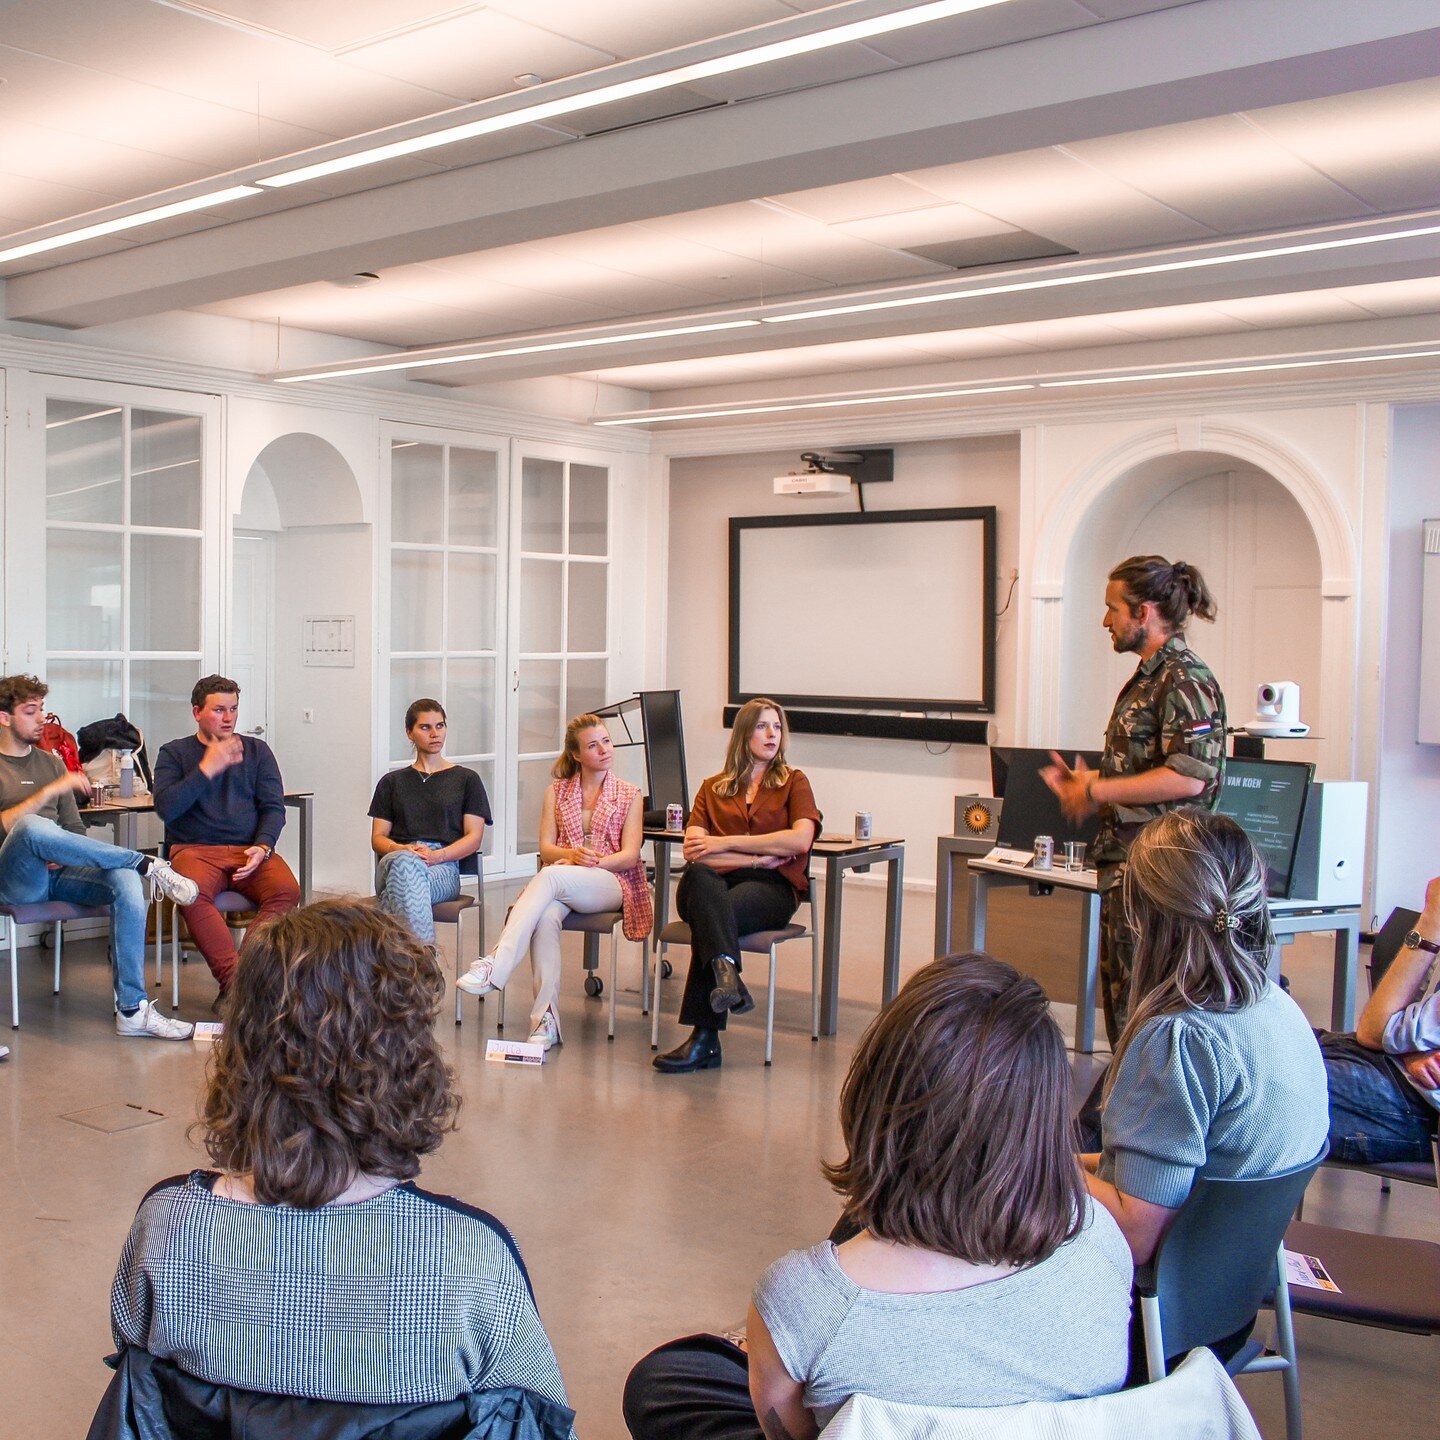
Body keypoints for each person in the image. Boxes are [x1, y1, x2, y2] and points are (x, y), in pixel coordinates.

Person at [623, 955, 1133, 1440]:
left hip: (838, 1364)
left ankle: (751, 1347)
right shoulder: (1100, 1238)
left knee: (667, 1379)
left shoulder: (804, 1296)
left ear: (875, 1097)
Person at [108, 900, 574, 1429]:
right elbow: (539, 1420)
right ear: (407, 1055)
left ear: (244, 1046)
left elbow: (140, 1382)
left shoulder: (168, 1227)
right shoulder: (470, 1258)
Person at [1081, 809, 1329, 1278]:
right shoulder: (1276, 1007)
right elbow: (1173, 1175)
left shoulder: (1178, 1042)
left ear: (1141, 918)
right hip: (1225, 1301)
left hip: (1145, 1318)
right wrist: (1059, 1161)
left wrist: (1035, 1167)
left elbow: (1135, 1234)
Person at [1043, 555, 1226, 1046]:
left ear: (1143, 612)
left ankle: (1145, 1111)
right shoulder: (1149, 677)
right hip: (1128, 866)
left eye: (1112, 609)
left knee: (1149, 1007)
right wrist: (1090, 783)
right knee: (1124, 1003)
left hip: (1161, 874)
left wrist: (1097, 788)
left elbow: (1188, 777)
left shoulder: (1184, 678)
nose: (1106, 620)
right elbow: (1148, 771)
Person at [0, 673, 199, 1041]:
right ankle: (144, 862)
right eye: (30, 711)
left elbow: (74, 831)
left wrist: (62, 850)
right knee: (29, 826)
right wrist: (52, 795)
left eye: (42, 709)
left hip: (60, 873)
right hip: (15, 879)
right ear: (4, 717)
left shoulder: (51, 763)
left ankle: (132, 1010)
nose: (41, 718)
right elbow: (12, 828)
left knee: (124, 881)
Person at [457, 714, 651, 1052]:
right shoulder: (557, 792)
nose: (604, 749)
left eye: (606, 741)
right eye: (593, 745)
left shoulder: (629, 794)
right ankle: (546, 1021)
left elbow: (630, 855)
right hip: (566, 878)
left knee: (548, 875)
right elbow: (547, 847)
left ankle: (494, 964)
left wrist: (592, 861)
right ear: (576, 755)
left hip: (612, 881)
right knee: (545, 917)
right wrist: (573, 857)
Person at [653, 698, 821, 1074]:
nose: (772, 734)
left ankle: (705, 1039)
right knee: (700, 881)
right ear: (745, 733)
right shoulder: (712, 788)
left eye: (777, 727)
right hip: (710, 883)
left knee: (711, 920)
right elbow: (697, 855)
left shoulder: (794, 782)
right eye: (763, 726)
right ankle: (727, 972)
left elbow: (798, 843)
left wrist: (724, 842)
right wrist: (757, 857)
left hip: (771, 888)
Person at [152, 675, 301, 999]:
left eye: (233, 709)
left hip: (251, 849)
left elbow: (274, 807)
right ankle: (237, 989)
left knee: (287, 891)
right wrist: (207, 768)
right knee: (192, 893)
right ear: (197, 712)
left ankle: (244, 979)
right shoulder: (175, 753)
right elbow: (166, 808)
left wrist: (263, 846)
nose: (229, 717)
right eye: (219, 710)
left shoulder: (257, 751)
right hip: (195, 850)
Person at [1319, 875, 1440, 1164]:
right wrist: (1414, 1046)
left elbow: (1376, 1030)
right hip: (1394, 1066)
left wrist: (1431, 922)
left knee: (1258, 1080)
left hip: (1415, 1107)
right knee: (1258, 1049)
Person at [369, 697, 491, 949]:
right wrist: (402, 850)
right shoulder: (392, 782)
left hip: (443, 867)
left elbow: (474, 837)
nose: (435, 734)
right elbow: (378, 838)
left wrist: (436, 856)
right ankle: (424, 961)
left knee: (399, 888)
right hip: (396, 859)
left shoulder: (467, 779)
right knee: (404, 867)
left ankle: (408, 961)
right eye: (425, 727)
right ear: (409, 733)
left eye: (440, 726)